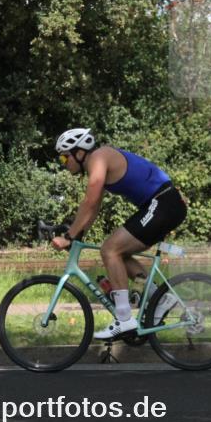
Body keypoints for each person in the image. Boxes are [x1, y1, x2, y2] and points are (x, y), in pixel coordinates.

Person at [51, 128, 187, 339]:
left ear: (79, 152)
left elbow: (89, 202)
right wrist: (76, 236)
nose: (63, 163)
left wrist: (69, 236)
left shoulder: (98, 157)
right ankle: (161, 299)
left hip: (163, 202)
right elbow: (94, 208)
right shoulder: (97, 163)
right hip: (162, 204)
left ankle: (124, 319)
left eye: (63, 157)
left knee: (110, 250)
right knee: (118, 254)